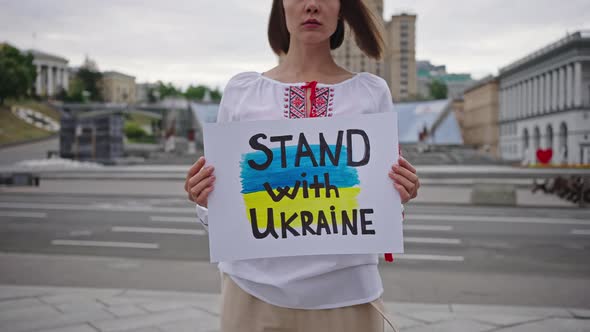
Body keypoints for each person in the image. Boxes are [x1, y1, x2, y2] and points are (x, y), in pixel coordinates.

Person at [184, 1, 420, 331]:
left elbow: (379, 212)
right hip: (252, 292)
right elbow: (225, 218)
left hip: (347, 295)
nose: (311, 5)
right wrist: (206, 199)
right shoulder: (242, 93)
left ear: (342, 9)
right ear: (281, 7)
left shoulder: (371, 93)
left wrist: (398, 194)